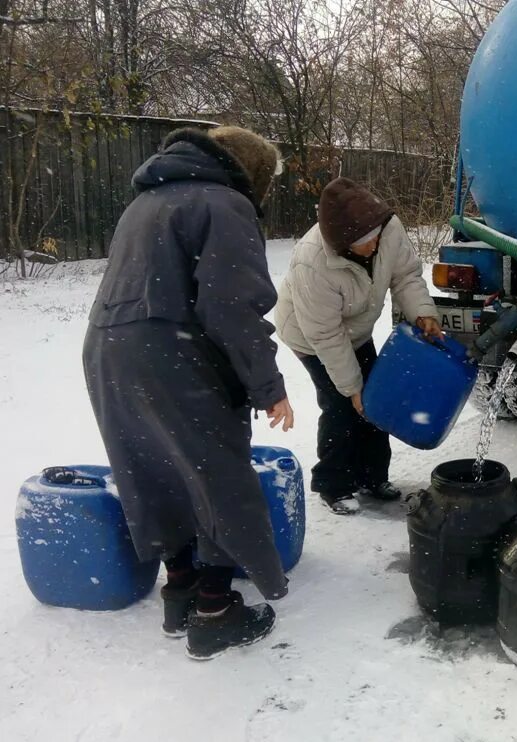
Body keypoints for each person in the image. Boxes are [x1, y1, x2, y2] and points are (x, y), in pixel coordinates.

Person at [83, 126, 295, 661]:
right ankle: (215, 612)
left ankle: (178, 591)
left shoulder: (147, 201)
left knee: (154, 470)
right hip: (171, 353)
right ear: (254, 176)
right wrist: (268, 387)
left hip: (109, 349)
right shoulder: (224, 203)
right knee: (217, 475)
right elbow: (230, 307)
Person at [275, 178, 441, 514]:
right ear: (344, 244)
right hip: (311, 336)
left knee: (375, 402)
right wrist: (351, 387)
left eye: (376, 236)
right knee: (342, 405)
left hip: (356, 330)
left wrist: (423, 313)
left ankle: (372, 476)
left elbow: (406, 275)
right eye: (365, 243)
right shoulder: (313, 263)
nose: (375, 245)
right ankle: (333, 484)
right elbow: (325, 335)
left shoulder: (387, 230)